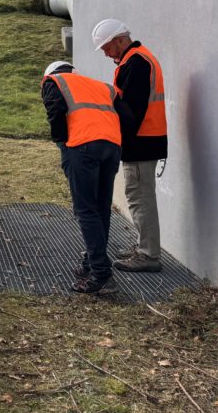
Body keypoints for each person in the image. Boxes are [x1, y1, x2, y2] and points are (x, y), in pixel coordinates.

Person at [41, 61, 124, 294]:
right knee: (101, 208)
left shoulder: (54, 81)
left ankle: (101, 274)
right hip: (112, 147)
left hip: (83, 146)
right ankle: (92, 262)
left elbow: (55, 111)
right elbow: (125, 115)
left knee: (86, 209)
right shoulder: (101, 86)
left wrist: (62, 143)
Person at [92, 19, 168, 272]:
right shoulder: (135, 60)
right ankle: (144, 247)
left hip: (141, 142)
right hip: (144, 140)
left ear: (119, 40)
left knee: (141, 199)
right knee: (139, 197)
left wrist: (117, 137)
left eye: (106, 47)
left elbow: (131, 112)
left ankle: (148, 255)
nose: (105, 53)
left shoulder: (136, 64)